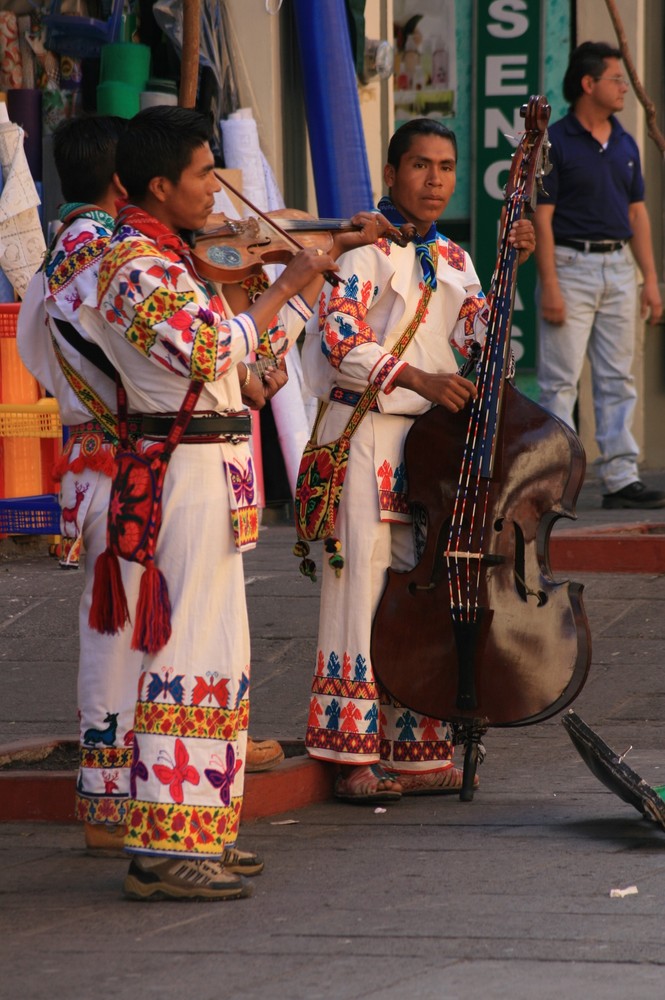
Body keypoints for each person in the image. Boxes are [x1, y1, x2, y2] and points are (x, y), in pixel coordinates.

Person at [77, 105, 391, 900]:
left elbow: (234, 352)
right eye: (203, 173)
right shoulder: (132, 268)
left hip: (208, 470)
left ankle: (199, 832)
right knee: (186, 656)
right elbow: (213, 347)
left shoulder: (171, 257)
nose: (219, 188)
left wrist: (285, 300)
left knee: (219, 656)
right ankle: (160, 848)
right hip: (178, 475)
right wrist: (288, 281)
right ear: (158, 185)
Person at [301, 118, 535, 802]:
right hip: (365, 431)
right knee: (360, 592)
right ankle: (348, 755)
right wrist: (420, 379)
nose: (433, 180)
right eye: (420, 165)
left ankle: (414, 750)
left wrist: (507, 272)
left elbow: (485, 345)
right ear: (391, 172)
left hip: (425, 449)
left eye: (445, 167)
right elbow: (339, 340)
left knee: (415, 588)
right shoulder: (359, 248)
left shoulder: (456, 259)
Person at [17, 115, 144, 857]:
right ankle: (107, 797)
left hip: (94, 449)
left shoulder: (60, 250)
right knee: (115, 632)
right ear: (126, 178)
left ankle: (126, 776)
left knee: (120, 628)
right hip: (123, 456)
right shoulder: (109, 252)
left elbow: (36, 345)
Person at [534, 41, 664, 510]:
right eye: (615, 79)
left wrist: (650, 278)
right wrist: (549, 284)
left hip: (619, 268)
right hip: (570, 267)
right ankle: (549, 482)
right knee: (560, 381)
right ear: (588, 84)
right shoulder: (556, 142)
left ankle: (621, 479)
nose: (624, 88)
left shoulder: (626, 141)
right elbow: (541, 218)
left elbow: (637, 214)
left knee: (618, 378)